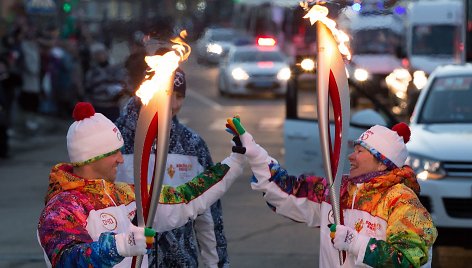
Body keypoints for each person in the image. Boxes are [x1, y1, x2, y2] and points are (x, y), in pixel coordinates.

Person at [37, 102, 246, 267]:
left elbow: (186, 198)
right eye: (114, 153)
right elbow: (67, 260)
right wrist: (119, 246)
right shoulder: (61, 209)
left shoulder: (126, 195)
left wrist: (234, 162)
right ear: (91, 158)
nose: (121, 159)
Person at [226, 117, 438, 268]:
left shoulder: (402, 202)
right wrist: (255, 154)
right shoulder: (337, 192)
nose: (351, 157)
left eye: (359, 151)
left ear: (383, 163)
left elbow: (409, 261)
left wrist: (356, 242)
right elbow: (289, 190)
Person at [115, 65, 230, 267]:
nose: (175, 104)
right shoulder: (116, 140)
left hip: (181, 261)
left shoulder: (192, 145)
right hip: (127, 260)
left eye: (180, 96)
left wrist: (217, 263)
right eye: (169, 94)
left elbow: (209, 213)